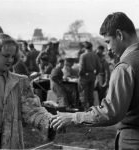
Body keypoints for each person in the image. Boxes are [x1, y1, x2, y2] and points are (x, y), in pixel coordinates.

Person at [50, 12, 139, 149]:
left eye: (108, 41)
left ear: (120, 35)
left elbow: (111, 112)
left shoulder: (125, 67)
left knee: (86, 97)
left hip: (133, 139)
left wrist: (74, 117)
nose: (108, 49)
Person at [78, 41, 101, 110]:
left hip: (84, 76)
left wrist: (80, 74)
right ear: (91, 47)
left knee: (83, 92)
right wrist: (95, 73)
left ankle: (85, 109)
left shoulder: (83, 55)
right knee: (91, 92)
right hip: (92, 75)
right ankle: (91, 109)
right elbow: (99, 67)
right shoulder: (95, 55)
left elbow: (81, 67)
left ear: (85, 48)